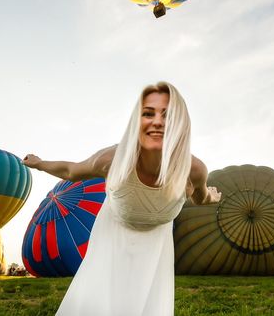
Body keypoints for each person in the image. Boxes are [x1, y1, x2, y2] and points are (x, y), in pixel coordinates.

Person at [23, 82, 221, 316]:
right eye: (148, 113)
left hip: (156, 241)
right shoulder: (111, 159)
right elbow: (71, 171)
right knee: (99, 298)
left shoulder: (193, 170)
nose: (157, 121)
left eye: (167, 115)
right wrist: (39, 164)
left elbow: (201, 198)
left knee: (144, 301)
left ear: (181, 125)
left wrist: (212, 197)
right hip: (113, 231)